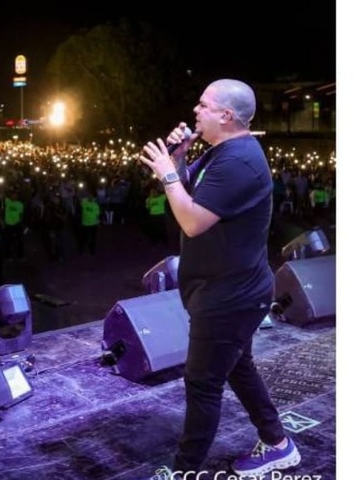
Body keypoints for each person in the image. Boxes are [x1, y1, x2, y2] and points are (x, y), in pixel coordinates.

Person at [137, 79, 299, 479]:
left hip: (231, 296)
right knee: (238, 367)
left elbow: (191, 221)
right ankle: (279, 444)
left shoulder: (238, 161)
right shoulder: (220, 153)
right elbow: (185, 196)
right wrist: (177, 159)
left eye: (204, 105)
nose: (195, 110)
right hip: (224, 290)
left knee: (202, 384)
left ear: (226, 115)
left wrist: (169, 176)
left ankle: (184, 471)